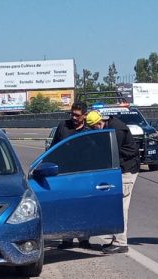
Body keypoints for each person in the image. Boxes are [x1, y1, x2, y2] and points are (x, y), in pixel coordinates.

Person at [86, 110, 140, 254]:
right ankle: (116, 239)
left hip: (127, 171)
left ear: (98, 123)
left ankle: (121, 243)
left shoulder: (116, 131)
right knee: (116, 206)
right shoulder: (110, 125)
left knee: (121, 207)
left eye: (92, 128)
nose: (93, 131)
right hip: (121, 170)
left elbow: (111, 154)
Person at [53, 102, 92, 249]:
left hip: (83, 175)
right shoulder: (63, 126)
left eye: (77, 115)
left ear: (85, 115)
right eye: (72, 114)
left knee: (83, 207)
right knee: (66, 207)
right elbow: (54, 148)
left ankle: (84, 239)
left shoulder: (89, 130)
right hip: (65, 175)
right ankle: (67, 239)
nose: (74, 118)